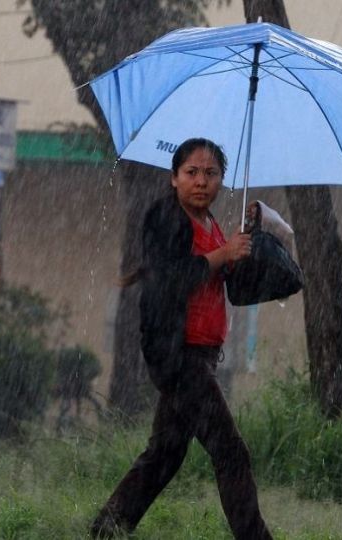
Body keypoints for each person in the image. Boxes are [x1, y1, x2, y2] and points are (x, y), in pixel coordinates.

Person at [90, 139, 272, 539]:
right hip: (179, 356)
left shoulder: (212, 224)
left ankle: (107, 530)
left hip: (203, 354)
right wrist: (222, 255)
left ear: (222, 180)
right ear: (174, 178)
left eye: (211, 174)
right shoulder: (165, 217)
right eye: (191, 172)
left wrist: (245, 246)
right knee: (230, 450)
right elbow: (169, 279)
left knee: (165, 454)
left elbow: (222, 282)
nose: (201, 182)